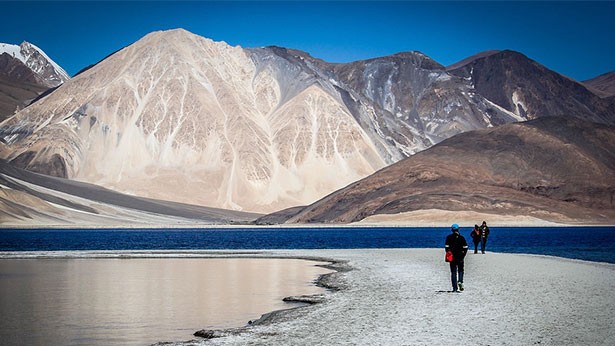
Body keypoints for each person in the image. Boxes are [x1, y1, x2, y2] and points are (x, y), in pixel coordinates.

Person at [445, 223, 468, 292]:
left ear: (452, 230)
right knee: (461, 270)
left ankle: (454, 288)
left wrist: (449, 254)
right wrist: (463, 255)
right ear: (458, 229)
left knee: (453, 272)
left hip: (452, 258)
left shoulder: (449, 237)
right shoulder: (462, 238)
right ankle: (460, 281)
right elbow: (465, 248)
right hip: (460, 257)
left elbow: (446, 247)